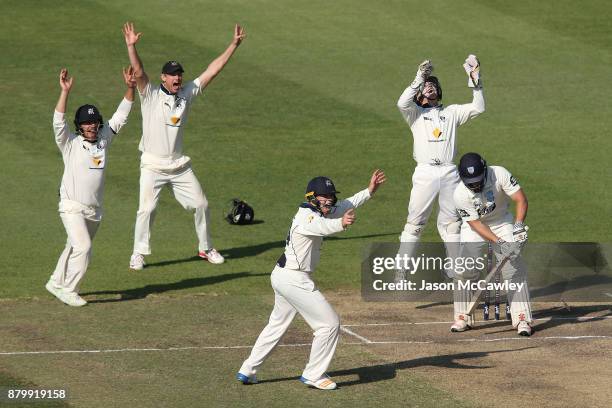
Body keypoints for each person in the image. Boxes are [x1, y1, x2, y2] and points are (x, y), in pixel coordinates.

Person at [237, 170, 386, 390]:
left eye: (330, 197)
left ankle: (248, 370)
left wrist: (370, 191)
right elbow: (320, 226)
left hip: (283, 275)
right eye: (323, 198)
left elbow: (346, 204)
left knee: (276, 325)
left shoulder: (324, 209)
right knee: (329, 324)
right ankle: (314, 375)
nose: (329, 201)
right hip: (294, 278)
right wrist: (341, 224)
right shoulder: (305, 216)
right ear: (311, 197)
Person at [121, 22, 246, 270]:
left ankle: (206, 247)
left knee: (201, 204)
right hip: (153, 164)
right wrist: (131, 47)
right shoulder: (150, 94)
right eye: (173, 74)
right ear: (163, 78)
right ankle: (138, 253)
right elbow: (138, 71)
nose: (178, 78)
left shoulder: (186, 93)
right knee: (146, 209)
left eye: (180, 74)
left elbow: (212, 71)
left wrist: (233, 45)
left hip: (178, 164)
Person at [46, 67, 135, 306]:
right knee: (83, 247)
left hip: (94, 210)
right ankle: (69, 289)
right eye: (87, 123)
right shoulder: (70, 144)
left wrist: (131, 87)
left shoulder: (104, 139)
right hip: (71, 205)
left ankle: (55, 281)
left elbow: (121, 116)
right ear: (79, 126)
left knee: (72, 246)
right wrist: (64, 91)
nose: (92, 127)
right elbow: (58, 122)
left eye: (95, 122)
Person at [396, 56, 485, 278]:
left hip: (449, 172)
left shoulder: (451, 112)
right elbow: (401, 102)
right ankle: (401, 270)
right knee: (415, 223)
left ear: (439, 92)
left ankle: (456, 268)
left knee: (451, 224)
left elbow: (478, 107)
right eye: (426, 85)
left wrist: (476, 81)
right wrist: (419, 77)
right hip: (425, 172)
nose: (430, 87)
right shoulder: (414, 114)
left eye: (433, 85)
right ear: (419, 93)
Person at [451, 152, 533, 336]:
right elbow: (475, 224)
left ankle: (522, 318)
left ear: (485, 170)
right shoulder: (459, 194)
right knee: (465, 269)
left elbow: (520, 199)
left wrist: (518, 226)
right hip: (476, 228)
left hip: (502, 222)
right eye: (470, 182)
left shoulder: (499, 174)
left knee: (513, 267)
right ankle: (462, 317)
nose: (475, 185)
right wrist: (499, 242)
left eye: (478, 180)